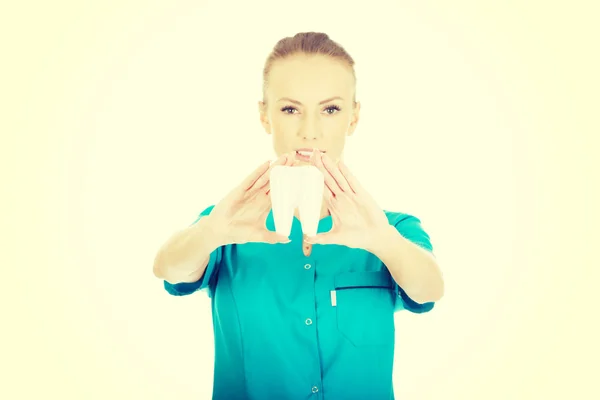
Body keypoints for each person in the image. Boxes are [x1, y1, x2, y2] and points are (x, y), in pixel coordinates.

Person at [153, 32, 444, 400]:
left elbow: (431, 288)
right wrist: (211, 232)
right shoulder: (228, 226)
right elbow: (169, 268)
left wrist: (382, 240)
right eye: (290, 109)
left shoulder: (393, 229)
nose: (309, 131)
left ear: (353, 117)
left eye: (330, 109)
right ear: (265, 116)